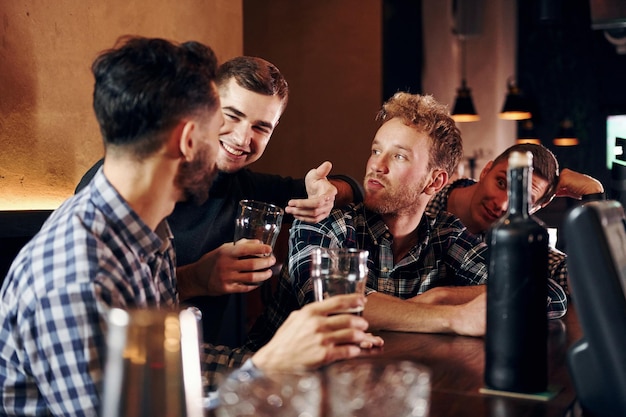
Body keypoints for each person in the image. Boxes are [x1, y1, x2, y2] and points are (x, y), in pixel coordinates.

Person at [0, 36, 382, 417]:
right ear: (188, 140)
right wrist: (269, 367)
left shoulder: (146, 233)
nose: (236, 140)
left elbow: (165, 375)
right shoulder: (76, 275)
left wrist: (287, 361)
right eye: (220, 120)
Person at [244, 93, 567, 351]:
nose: (376, 166)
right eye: (375, 150)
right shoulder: (326, 219)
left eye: (398, 156)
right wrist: (452, 317)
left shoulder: (446, 235)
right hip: (278, 389)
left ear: (434, 182)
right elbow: (333, 306)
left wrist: (441, 297)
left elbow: (548, 293)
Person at [75, 56, 363, 345]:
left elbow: (350, 188)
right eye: (232, 115)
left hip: (224, 368)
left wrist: (329, 191)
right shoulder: (127, 183)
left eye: (261, 127)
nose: (242, 138)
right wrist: (195, 279)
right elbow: (96, 303)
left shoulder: (242, 187)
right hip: (144, 364)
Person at [425, 142, 605, 295]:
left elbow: (590, 281)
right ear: (486, 171)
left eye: (523, 199)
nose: (502, 204)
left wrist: (594, 196)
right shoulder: (422, 203)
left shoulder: (519, 239)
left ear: (535, 209)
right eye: (501, 183)